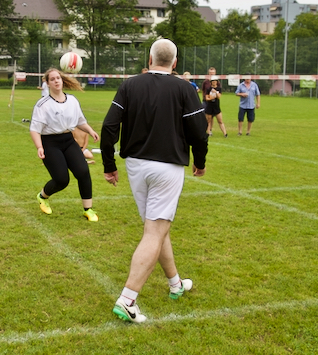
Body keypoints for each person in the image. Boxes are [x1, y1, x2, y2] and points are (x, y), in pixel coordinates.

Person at [101, 39, 208, 323]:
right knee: (154, 231)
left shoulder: (130, 85)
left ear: (149, 59)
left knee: (156, 228)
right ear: (175, 63)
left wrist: (109, 165)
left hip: (136, 166)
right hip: (167, 168)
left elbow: (109, 126)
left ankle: (175, 283)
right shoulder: (185, 88)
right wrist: (200, 162)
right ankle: (127, 300)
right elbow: (199, 132)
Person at [30, 68, 100, 222]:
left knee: (83, 171)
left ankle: (88, 209)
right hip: (50, 143)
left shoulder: (72, 100)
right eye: (52, 79)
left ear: (62, 80)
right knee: (62, 180)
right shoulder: (43, 105)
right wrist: (39, 147)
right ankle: (42, 196)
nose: (56, 81)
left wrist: (90, 131)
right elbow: (34, 129)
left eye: (58, 78)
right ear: (48, 83)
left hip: (68, 140)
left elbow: (80, 121)